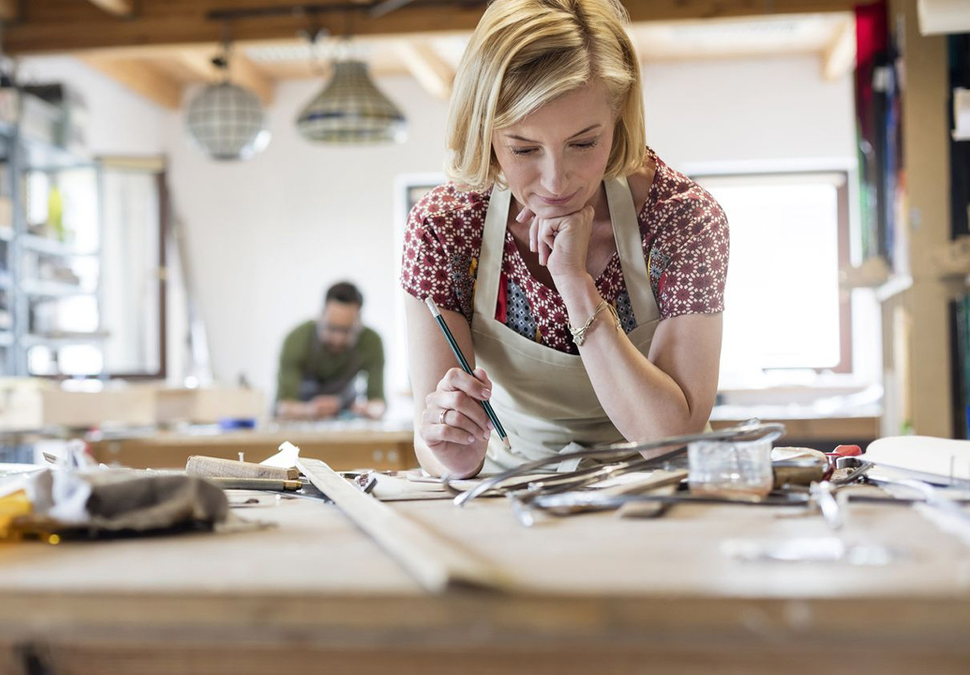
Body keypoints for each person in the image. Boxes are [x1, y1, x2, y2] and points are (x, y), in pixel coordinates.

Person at [401, 0, 730, 478]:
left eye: (583, 143)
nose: (557, 182)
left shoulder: (682, 219)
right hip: (507, 493)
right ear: (485, 132)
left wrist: (574, 284)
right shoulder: (445, 226)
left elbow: (672, 440)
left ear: (618, 121)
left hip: (656, 494)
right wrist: (451, 452)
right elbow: (430, 435)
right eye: (524, 148)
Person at [276, 282, 387, 420]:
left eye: (347, 331)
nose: (338, 339)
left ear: (359, 324)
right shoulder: (296, 340)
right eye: (332, 328)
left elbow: (378, 403)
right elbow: (283, 406)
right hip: (301, 423)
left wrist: (368, 410)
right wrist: (310, 410)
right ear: (321, 316)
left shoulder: (371, 342)